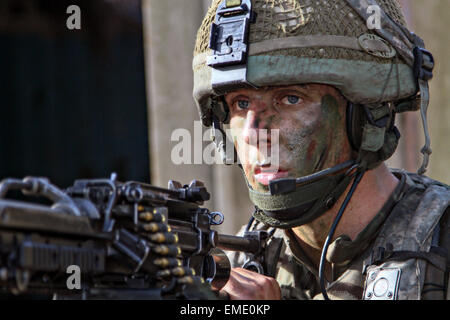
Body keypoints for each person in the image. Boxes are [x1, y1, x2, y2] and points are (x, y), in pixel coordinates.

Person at [192, 0, 449, 300]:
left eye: (290, 99)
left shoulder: (440, 244)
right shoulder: (234, 267)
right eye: (241, 103)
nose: (252, 133)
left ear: (367, 115)